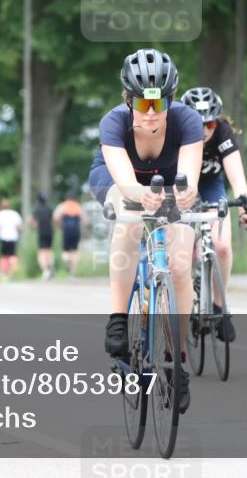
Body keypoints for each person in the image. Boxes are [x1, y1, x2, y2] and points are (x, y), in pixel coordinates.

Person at [88, 48, 202, 414]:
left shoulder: (188, 120)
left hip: (168, 181)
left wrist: (184, 195)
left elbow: (189, 179)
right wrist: (141, 196)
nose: (151, 113)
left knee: (180, 264)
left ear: (171, 99)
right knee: (131, 218)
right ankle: (118, 320)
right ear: (128, 100)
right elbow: (126, 184)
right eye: (142, 103)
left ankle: (175, 358)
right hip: (119, 180)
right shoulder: (113, 123)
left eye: (159, 102)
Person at [180, 87, 247, 341]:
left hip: (211, 186)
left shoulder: (223, 132)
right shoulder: (177, 132)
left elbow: (236, 174)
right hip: (182, 188)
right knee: (181, 249)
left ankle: (218, 306)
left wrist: (246, 207)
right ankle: (184, 299)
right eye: (198, 124)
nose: (205, 130)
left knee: (222, 246)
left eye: (210, 124)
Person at [53, 189, 87, 277]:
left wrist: (60, 224)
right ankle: (73, 272)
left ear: (66, 198)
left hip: (66, 230)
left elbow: (55, 217)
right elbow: (85, 220)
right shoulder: (78, 206)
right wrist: (84, 230)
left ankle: (68, 263)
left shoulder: (63, 206)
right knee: (74, 251)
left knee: (65, 251)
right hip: (76, 230)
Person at [0, 199, 23, 278]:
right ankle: (14, 267)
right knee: (13, 255)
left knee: (4, 256)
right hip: (13, 237)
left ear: (1, 206)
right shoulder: (15, 214)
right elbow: (20, 227)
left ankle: (5, 273)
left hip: (3, 237)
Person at [30, 192, 55, 280]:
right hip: (50, 231)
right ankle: (51, 264)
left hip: (41, 231)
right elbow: (54, 219)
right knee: (49, 250)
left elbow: (31, 221)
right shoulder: (50, 208)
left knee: (41, 252)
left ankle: (45, 270)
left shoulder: (37, 209)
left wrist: (34, 225)